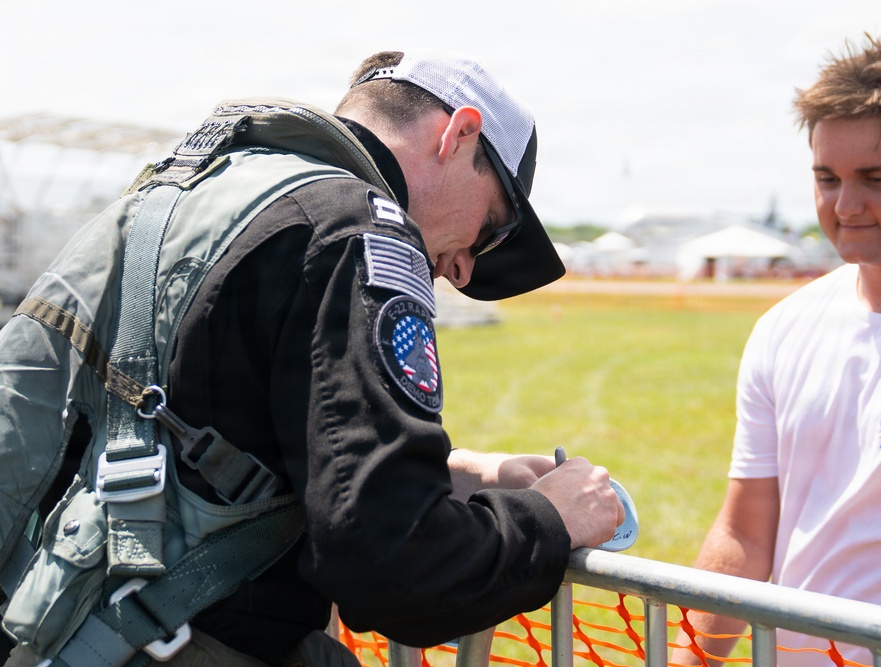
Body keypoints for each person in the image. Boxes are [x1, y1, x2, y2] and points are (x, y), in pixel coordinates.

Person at [0, 50, 624, 667]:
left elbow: (198, 425)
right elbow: (395, 566)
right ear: (458, 135)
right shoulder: (357, 230)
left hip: (43, 615)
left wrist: (463, 474)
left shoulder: (190, 190)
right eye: (491, 228)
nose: (463, 269)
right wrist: (551, 518)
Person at [672, 35, 881, 667]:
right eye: (827, 178)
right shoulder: (784, 327)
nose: (845, 206)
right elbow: (746, 531)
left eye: (876, 180)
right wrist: (689, 661)